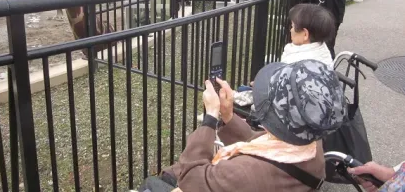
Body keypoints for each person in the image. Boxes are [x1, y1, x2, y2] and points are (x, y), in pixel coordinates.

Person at [139, 59, 346, 192]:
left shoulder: (244, 174)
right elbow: (262, 146)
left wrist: (211, 117)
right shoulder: (311, 144)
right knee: (169, 174)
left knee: (152, 184)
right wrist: (228, 116)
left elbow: (192, 179)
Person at [233, 3, 335, 107]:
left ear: (305, 34)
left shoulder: (295, 62)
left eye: (293, 26)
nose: (290, 30)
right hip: (315, 107)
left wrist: (260, 87)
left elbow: (278, 95)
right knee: (245, 88)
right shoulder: (322, 51)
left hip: (291, 113)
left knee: (241, 90)